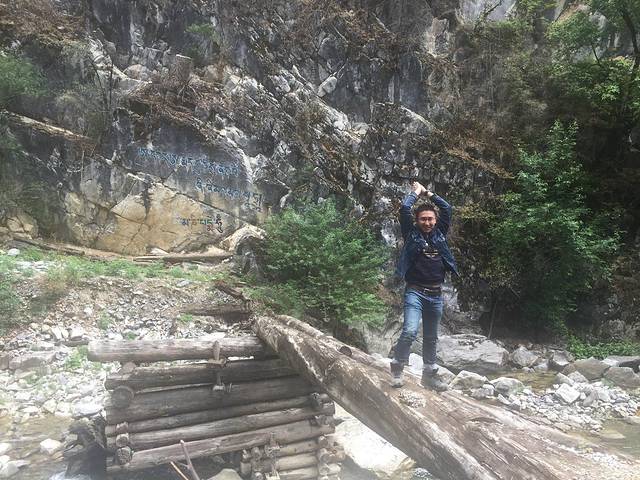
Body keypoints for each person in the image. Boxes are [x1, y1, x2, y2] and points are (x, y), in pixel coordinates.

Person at [390, 181, 459, 391]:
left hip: (436, 294)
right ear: (417, 221)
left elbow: (447, 208)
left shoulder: (440, 233)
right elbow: (404, 208)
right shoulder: (411, 234)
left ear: (436, 220)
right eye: (423, 219)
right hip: (415, 292)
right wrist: (416, 193)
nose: (427, 222)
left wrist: (428, 193)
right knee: (410, 331)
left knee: (431, 338)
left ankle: (429, 376)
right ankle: (397, 367)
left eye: (430, 219)